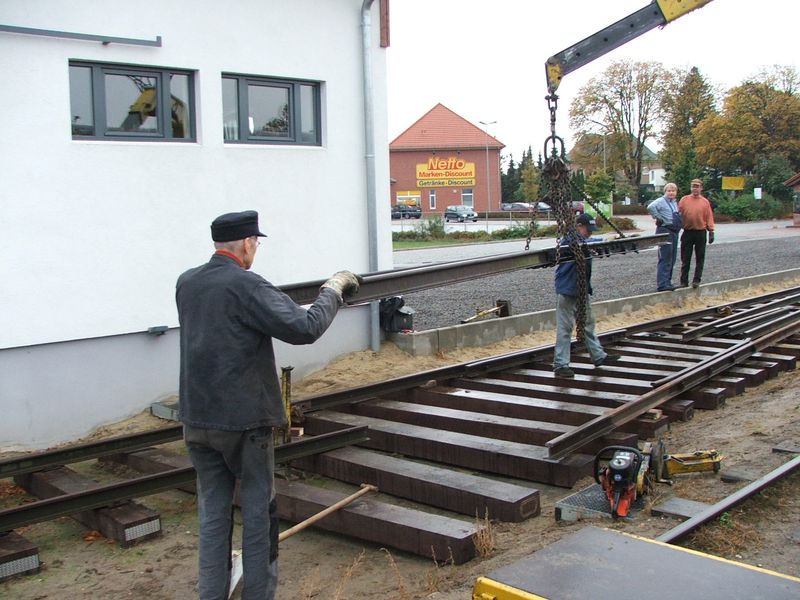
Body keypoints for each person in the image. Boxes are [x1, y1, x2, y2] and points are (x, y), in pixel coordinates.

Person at [176, 210, 359, 600]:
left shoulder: (187, 283)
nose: (255, 249)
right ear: (246, 244)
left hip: (197, 419)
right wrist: (333, 290)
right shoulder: (246, 285)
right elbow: (304, 328)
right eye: (256, 243)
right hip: (245, 422)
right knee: (259, 516)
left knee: (213, 514)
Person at [553, 212, 621, 378]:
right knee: (565, 327)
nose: (590, 232)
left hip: (581, 289)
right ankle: (561, 364)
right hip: (567, 289)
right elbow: (583, 245)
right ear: (579, 226)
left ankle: (598, 356)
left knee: (588, 323)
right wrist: (601, 242)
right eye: (588, 229)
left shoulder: (582, 240)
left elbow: (588, 243)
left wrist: (608, 240)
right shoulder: (570, 240)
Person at [678, 178, 715, 289]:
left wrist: (711, 231)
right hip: (687, 232)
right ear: (691, 187)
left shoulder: (705, 202)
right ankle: (683, 281)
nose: (695, 188)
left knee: (700, 258)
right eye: (693, 186)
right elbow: (677, 214)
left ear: (701, 188)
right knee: (685, 258)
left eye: (697, 186)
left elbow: (709, 217)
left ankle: (696, 280)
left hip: (700, 232)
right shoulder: (684, 200)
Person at [647, 182, 682, 291]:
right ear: (665, 192)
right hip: (664, 230)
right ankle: (662, 284)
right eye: (669, 191)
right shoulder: (661, 201)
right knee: (665, 257)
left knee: (672, 257)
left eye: (673, 191)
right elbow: (650, 207)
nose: (671, 193)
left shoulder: (674, 203)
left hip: (673, 231)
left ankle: (668, 282)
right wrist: (658, 217)